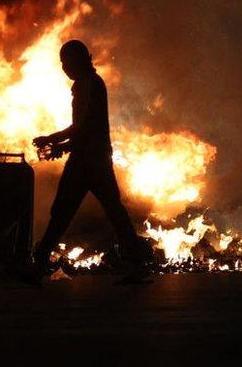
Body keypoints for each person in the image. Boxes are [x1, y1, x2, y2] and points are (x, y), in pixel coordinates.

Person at [28, 39, 151, 284]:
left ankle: (39, 263)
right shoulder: (89, 83)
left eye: (66, 62)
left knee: (63, 212)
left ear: (80, 60)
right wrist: (57, 142)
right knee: (112, 211)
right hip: (94, 159)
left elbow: (83, 128)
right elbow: (81, 128)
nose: (64, 68)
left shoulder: (88, 85)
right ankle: (137, 263)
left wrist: (58, 145)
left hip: (88, 161)